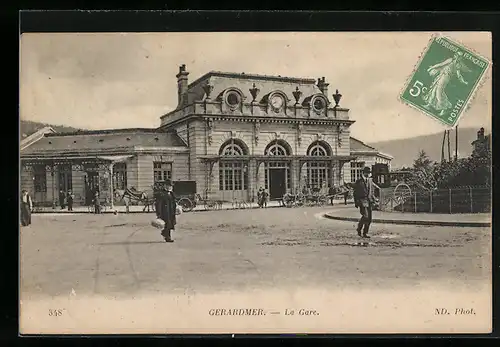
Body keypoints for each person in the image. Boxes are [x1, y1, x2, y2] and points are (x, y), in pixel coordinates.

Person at [353, 167, 376, 238]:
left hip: (369, 201)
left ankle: (365, 232)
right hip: (362, 201)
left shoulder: (370, 181)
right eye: (367, 173)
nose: (368, 174)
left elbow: (371, 191)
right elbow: (355, 193)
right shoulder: (359, 181)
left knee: (369, 218)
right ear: (364, 173)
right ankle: (359, 228)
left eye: (369, 173)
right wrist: (356, 202)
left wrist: (374, 199)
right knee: (365, 216)